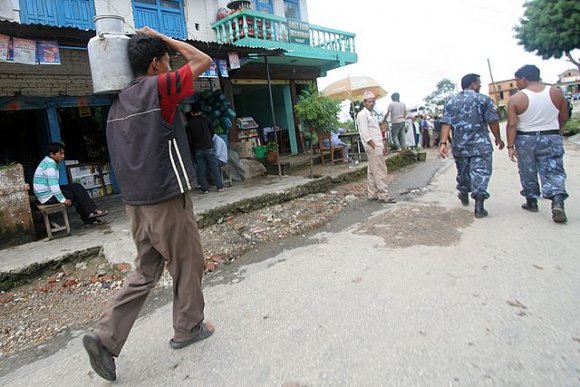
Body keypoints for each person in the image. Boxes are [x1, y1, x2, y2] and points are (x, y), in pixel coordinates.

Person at [82, 27, 213, 382]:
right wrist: (163, 37)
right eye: (167, 61)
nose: (171, 66)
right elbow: (203, 60)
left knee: (145, 272)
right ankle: (188, 328)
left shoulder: (117, 102)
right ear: (155, 64)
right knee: (187, 262)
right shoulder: (160, 89)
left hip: (134, 205)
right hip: (166, 199)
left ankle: (104, 339)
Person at [506, 64, 569, 223]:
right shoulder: (556, 92)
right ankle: (557, 202)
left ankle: (531, 201)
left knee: (527, 169)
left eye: (517, 80)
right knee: (554, 169)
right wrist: (557, 131)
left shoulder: (516, 98)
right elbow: (563, 117)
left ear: (523, 79)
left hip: (526, 139)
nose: (516, 84)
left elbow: (512, 125)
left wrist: (510, 146)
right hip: (551, 136)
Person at [439, 73, 504, 218]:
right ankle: (479, 206)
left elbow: (446, 123)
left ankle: (463, 191)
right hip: (481, 146)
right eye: (479, 83)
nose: (480, 85)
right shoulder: (484, 100)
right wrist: (498, 138)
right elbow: (492, 121)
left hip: (460, 146)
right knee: (481, 173)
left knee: (463, 172)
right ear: (473, 84)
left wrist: (443, 143)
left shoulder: (451, 102)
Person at [33, 142, 108, 226]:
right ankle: (90, 216)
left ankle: (91, 214)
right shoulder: (50, 164)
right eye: (60, 154)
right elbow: (53, 185)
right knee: (75, 194)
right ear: (52, 154)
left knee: (77, 186)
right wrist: (63, 200)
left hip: (48, 192)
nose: (63, 156)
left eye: (63, 153)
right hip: (47, 197)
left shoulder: (48, 161)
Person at [357, 90, 396, 204]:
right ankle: (383, 195)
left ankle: (372, 193)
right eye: (369, 102)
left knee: (372, 170)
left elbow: (376, 131)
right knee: (380, 170)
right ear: (364, 103)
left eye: (373, 101)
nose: (371, 103)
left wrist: (381, 145)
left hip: (376, 144)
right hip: (372, 146)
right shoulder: (362, 115)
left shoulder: (371, 114)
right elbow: (365, 133)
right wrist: (374, 145)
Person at [186, 103, 224, 193]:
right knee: (214, 167)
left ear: (192, 113)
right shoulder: (206, 120)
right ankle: (220, 187)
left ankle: (205, 189)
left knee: (201, 169)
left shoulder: (189, 124)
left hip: (198, 148)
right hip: (209, 146)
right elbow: (212, 132)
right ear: (200, 111)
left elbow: (189, 139)